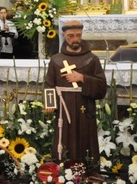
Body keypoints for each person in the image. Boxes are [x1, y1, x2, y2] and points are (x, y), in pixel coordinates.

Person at [43, 20, 107, 168]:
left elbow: (102, 86)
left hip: (84, 106)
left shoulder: (92, 59)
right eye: (71, 36)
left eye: (78, 35)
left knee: (84, 138)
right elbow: (49, 84)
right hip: (64, 106)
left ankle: (87, 170)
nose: (75, 39)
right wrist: (49, 103)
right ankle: (63, 171)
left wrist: (82, 78)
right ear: (64, 36)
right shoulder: (56, 60)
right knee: (64, 139)